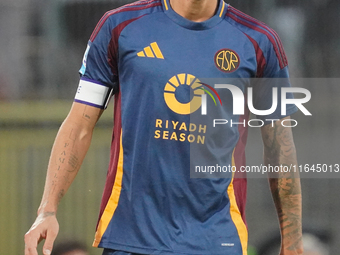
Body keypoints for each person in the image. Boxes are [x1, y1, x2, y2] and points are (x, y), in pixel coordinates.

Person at [24, 0, 303, 255]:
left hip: (217, 239)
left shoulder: (259, 41)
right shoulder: (119, 27)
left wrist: (292, 242)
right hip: (131, 237)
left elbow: (280, 150)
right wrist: (47, 210)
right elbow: (79, 124)